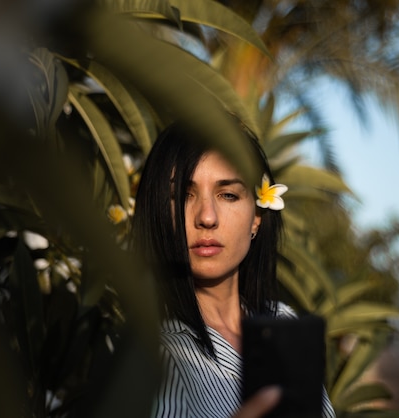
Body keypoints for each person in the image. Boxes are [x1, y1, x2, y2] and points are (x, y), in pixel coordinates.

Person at [131, 115, 335, 418]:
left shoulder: (284, 323)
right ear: (159, 212)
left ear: (256, 217)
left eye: (228, 194)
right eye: (182, 195)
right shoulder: (155, 357)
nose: (207, 217)